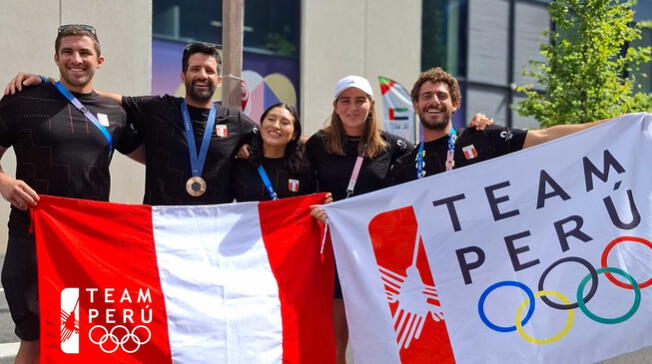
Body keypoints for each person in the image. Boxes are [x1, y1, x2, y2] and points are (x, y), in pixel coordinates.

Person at [0, 24, 143, 363]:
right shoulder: (23, 100)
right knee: (33, 342)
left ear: (100, 60)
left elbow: (160, 159)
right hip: (31, 239)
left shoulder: (115, 113)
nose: (76, 59)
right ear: (56, 58)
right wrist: (4, 184)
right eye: (68, 52)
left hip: (83, 248)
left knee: (72, 342)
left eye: (84, 53)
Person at [5, 42, 257, 205]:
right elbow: (98, 96)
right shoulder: (158, 108)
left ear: (219, 80)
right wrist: (52, 84)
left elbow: (280, 140)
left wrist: (250, 148)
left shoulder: (236, 121)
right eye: (195, 69)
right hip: (162, 227)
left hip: (214, 227)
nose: (202, 75)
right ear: (183, 76)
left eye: (209, 71)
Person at [386, 67, 613, 185]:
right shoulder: (404, 166)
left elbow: (544, 136)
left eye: (441, 96)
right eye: (427, 96)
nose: (434, 101)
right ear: (416, 105)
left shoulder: (481, 137)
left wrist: (612, 125)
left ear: (455, 104)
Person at [232, 103, 315, 201]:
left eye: (284, 123)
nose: (276, 126)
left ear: (294, 134)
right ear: (261, 125)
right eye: (271, 119)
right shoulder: (241, 164)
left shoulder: (304, 168)